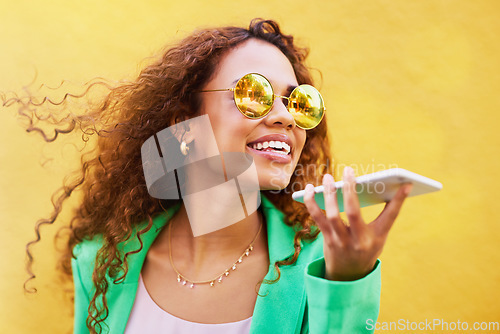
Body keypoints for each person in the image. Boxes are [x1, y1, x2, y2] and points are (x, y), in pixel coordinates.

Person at [21, 18, 412, 334]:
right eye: (253, 94)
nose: (285, 117)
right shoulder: (100, 262)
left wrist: (345, 286)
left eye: (299, 102)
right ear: (185, 123)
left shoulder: (321, 268)